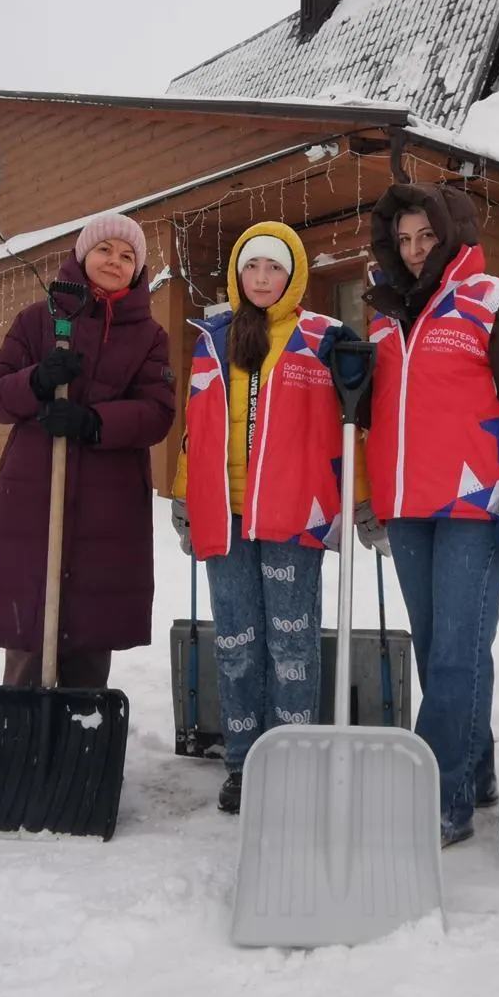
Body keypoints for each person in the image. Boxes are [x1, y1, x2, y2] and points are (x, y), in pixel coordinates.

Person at [361, 182, 499, 847]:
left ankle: (441, 796)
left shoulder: (496, 302)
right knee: (441, 647)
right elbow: (380, 407)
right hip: (407, 505)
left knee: (454, 654)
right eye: (404, 239)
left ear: (452, 236)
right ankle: (475, 768)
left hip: (476, 501)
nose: (415, 250)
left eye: (426, 237)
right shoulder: (385, 312)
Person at [170, 222, 366, 814]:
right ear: (237, 273)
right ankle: (243, 763)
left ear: (293, 274)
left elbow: (352, 425)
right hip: (223, 515)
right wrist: (184, 498)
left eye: (274, 267)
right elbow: (198, 426)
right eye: (251, 266)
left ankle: (292, 760)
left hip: (293, 515)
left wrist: (362, 500)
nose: (261, 278)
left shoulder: (322, 337)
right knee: (236, 645)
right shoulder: (213, 339)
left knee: (291, 645)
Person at [0, 214, 176, 687]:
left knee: (90, 634)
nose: (115, 261)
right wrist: (37, 381)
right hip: (34, 497)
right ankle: (21, 724)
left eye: (128, 256)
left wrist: (93, 421)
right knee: (28, 627)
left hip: (108, 505)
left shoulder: (149, 337)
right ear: (82, 255)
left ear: (138, 271)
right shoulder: (37, 320)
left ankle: (82, 724)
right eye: (105, 249)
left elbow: (157, 413)